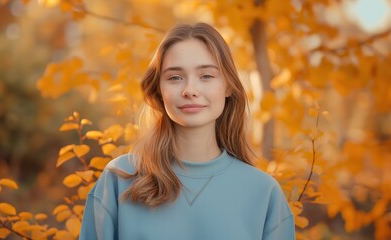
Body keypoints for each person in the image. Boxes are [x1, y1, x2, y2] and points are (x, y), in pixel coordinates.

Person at [79, 22, 295, 240]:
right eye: (175, 77)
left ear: (228, 85)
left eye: (206, 76)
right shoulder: (119, 180)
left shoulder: (263, 192)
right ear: (159, 90)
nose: (190, 90)